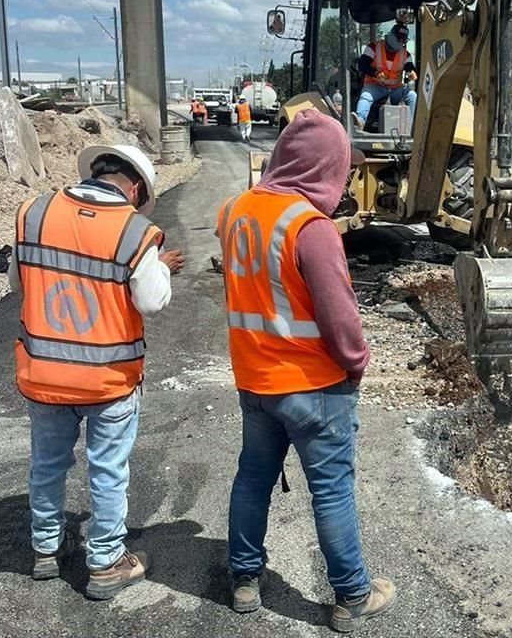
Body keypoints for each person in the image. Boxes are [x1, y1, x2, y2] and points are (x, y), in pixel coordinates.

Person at [217, 109, 395, 632]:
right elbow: (341, 319)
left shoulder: (234, 211)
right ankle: (352, 595)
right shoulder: (310, 227)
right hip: (314, 386)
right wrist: (357, 366)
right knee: (332, 490)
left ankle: (245, 581)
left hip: (255, 380)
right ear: (325, 166)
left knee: (252, 478)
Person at [8, 144, 185, 600]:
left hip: (44, 373)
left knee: (47, 464)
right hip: (107, 379)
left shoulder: (33, 213)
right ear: (136, 187)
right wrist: (159, 269)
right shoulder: (136, 230)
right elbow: (151, 301)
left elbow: (18, 282)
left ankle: (45, 549)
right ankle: (105, 562)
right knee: (107, 469)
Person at [352, 23, 417, 130]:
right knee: (366, 96)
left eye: (403, 41)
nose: (400, 42)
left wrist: (411, 72)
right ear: (391, 36)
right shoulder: (373, 47)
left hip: (396, 88)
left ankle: (413, 127)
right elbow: (362, 65)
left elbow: (409, 66)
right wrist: (375, 73)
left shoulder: (405, 54)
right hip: (375, 85)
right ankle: (360, 121)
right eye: (398, 39)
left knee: (412, 96)